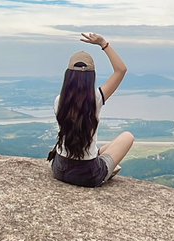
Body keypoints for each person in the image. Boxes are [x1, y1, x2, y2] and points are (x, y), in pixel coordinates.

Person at [48, 32, 134, 187]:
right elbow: (121, 70)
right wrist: (104, 44)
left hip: (59, 168)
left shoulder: (59, 101)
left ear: (68, 76)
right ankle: (106, 168)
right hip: (88, 174)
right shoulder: (96, 99)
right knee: (127, 136)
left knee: (100, 150)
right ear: (91, 77)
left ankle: (103, 162)